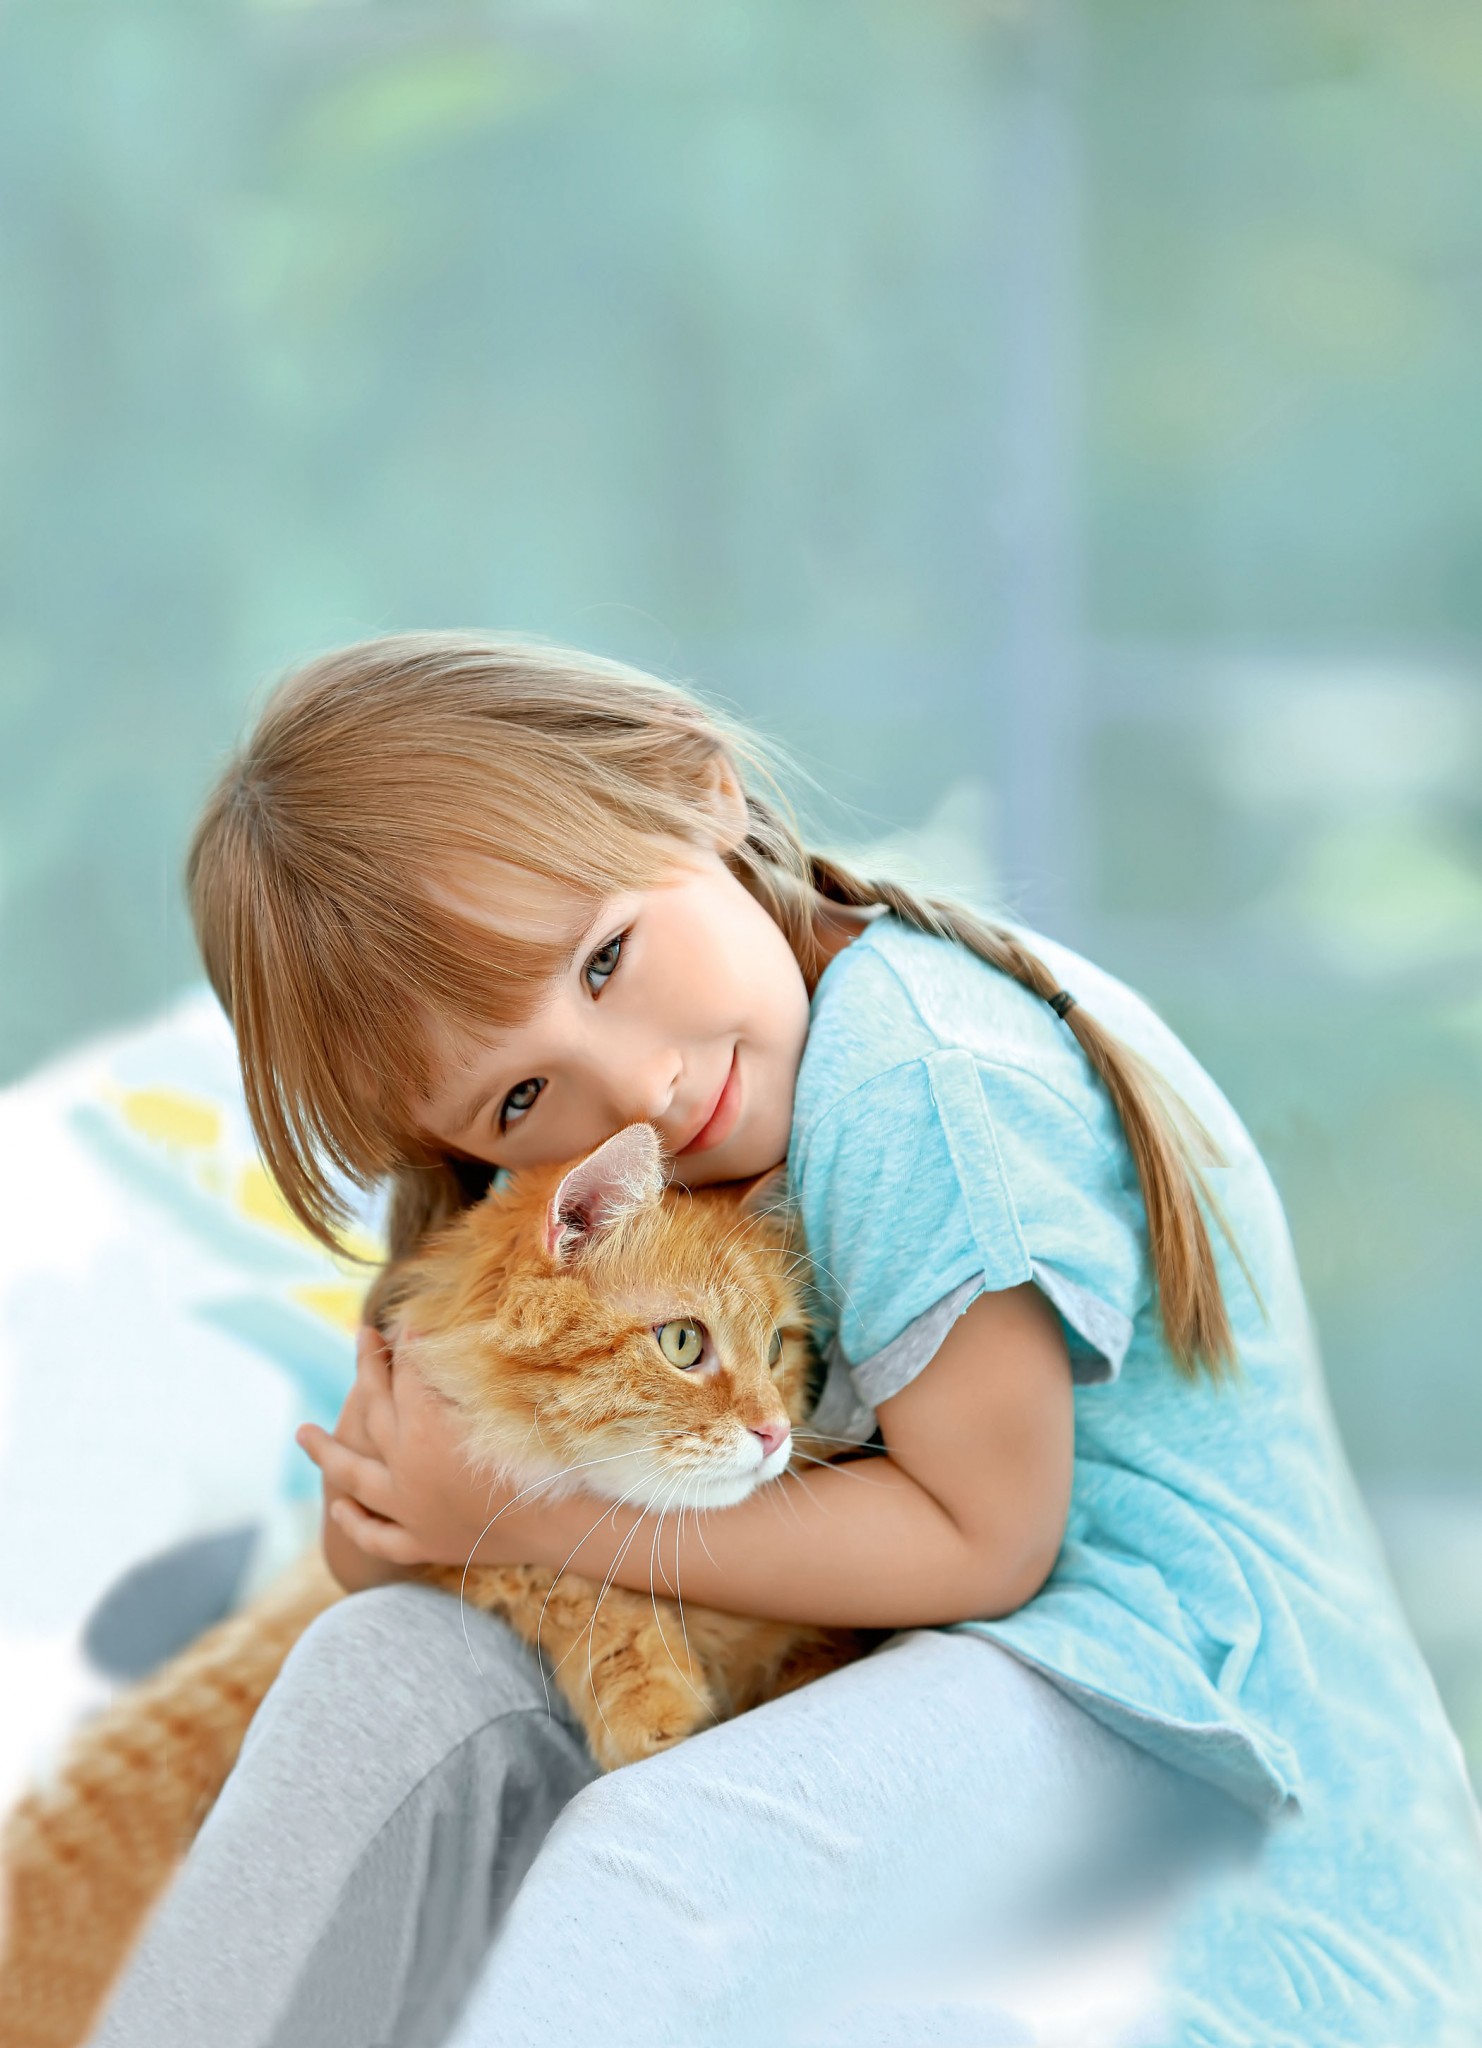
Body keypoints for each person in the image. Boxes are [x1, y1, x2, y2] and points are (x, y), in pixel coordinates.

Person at [96, 633, 1482, 2048]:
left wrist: (519, 1515)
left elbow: (987, 1543)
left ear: (698, 791)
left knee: (661, 1866)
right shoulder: (636, 1174)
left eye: (606, 960)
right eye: (517, 1100)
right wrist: (410, 1528)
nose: (635, 1084)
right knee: (383, 1669)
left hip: (1167, 1725)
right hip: (921, 1678)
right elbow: (431, 1533)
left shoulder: (914, 1082)